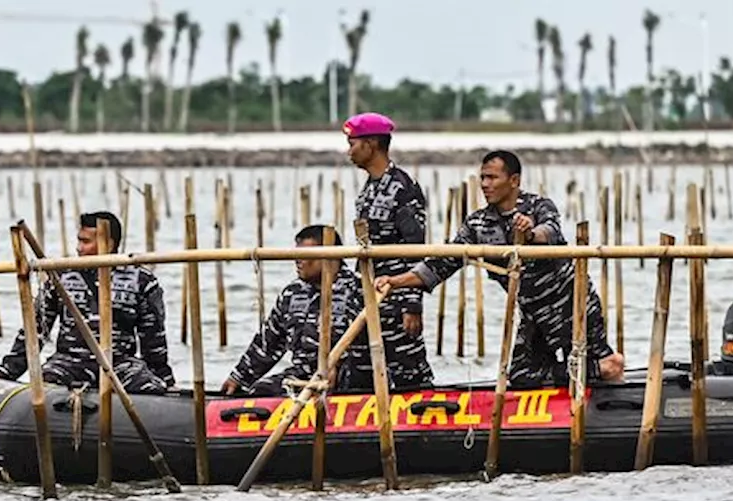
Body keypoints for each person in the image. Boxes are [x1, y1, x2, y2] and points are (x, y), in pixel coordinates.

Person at [374, 150, 625, 387]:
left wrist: (529, 234)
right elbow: (439, 265)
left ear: (514, 180)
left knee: (588, 363)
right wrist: (395, 281)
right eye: (483, 177)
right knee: (520, 376)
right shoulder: (478, 224)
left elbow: (550, 231)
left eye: (492, 177)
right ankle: (594, 371)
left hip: (571, 303)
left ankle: (607, 371)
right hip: (533, 313)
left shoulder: (538, 206)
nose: (485, 184)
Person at [0, 211, 175, 394]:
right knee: (44, 389)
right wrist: (5, 373)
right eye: (79, 241)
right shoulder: (61, 276)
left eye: (86, 242)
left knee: (151, 389)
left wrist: (165, 381)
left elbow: (153, 339)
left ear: (109, 243)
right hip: (68, 363)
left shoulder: (141, 280)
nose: (79, 248)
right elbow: (35, 330)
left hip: (120, 364)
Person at [221, 225, 370, 397]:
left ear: (331, 257)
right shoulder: (292, 293)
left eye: (305, 256)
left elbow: (374, 344)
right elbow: (268, 343)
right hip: (303, 375)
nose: (297, 261)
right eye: (296, 255)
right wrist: (239, 377)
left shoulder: (358, 289)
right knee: (261, 391)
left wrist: (336, 367)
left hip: (350, 377)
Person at [343, 111, 434, 391]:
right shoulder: (368, 190)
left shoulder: (403, 189)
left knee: (409, 374)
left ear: (371, 144)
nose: (349, 152)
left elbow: (414, 250)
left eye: (353, 144)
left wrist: (411, 304)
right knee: (360, 373)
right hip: (367, 297)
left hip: (395, 299)